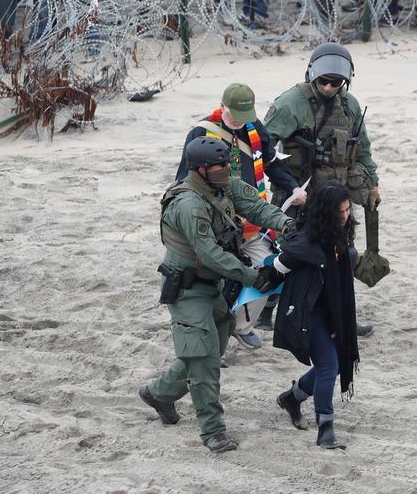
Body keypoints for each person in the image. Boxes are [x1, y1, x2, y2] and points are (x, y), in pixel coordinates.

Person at [139, 136, 292, 454]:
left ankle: (159, 394)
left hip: (214, 285)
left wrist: (286, 224)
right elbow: (208, 253)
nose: (226, 169)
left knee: (212, 344)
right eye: (219, 165)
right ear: (200, 169)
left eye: (227, 164)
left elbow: (257, 207)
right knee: (204, 359)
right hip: (187, 289)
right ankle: (213, 431)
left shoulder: (224, 186)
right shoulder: (189, 205)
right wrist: (254, 277)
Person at [263, 43, 379, 339]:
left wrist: (373, 184)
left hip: (335, 197)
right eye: (324, 81)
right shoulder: (291, 103)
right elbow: (262, 146)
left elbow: (363, 148)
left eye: (335, 82)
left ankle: (341, 317)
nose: (329, 87)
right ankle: (265, 311)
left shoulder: (350, 106)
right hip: (298, 194)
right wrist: (285, 182)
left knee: (342, 255)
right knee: (288, 251)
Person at [174, 83, 296, 349]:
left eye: (245, 116)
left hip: (251, 221)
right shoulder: (201, 132)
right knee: (214, 278)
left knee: (268, 266)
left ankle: (241, 325)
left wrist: (294, 187)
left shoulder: (255, 128)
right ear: (222, 106)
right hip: (216, 222)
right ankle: (214, 333)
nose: (240, 121)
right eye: (234, 116)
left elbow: (271, 162)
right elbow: (184, 179)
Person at [267, 181, 360, 449]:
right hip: (308, 314)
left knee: (333, 363)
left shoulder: (340, 233)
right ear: (325, 213)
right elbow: (276, 270)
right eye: (340, 212)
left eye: (347, 210)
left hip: (333, 311)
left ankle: (292, 398)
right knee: (329, 366)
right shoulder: (304, 244)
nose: (345, 217)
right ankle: (325, 427)